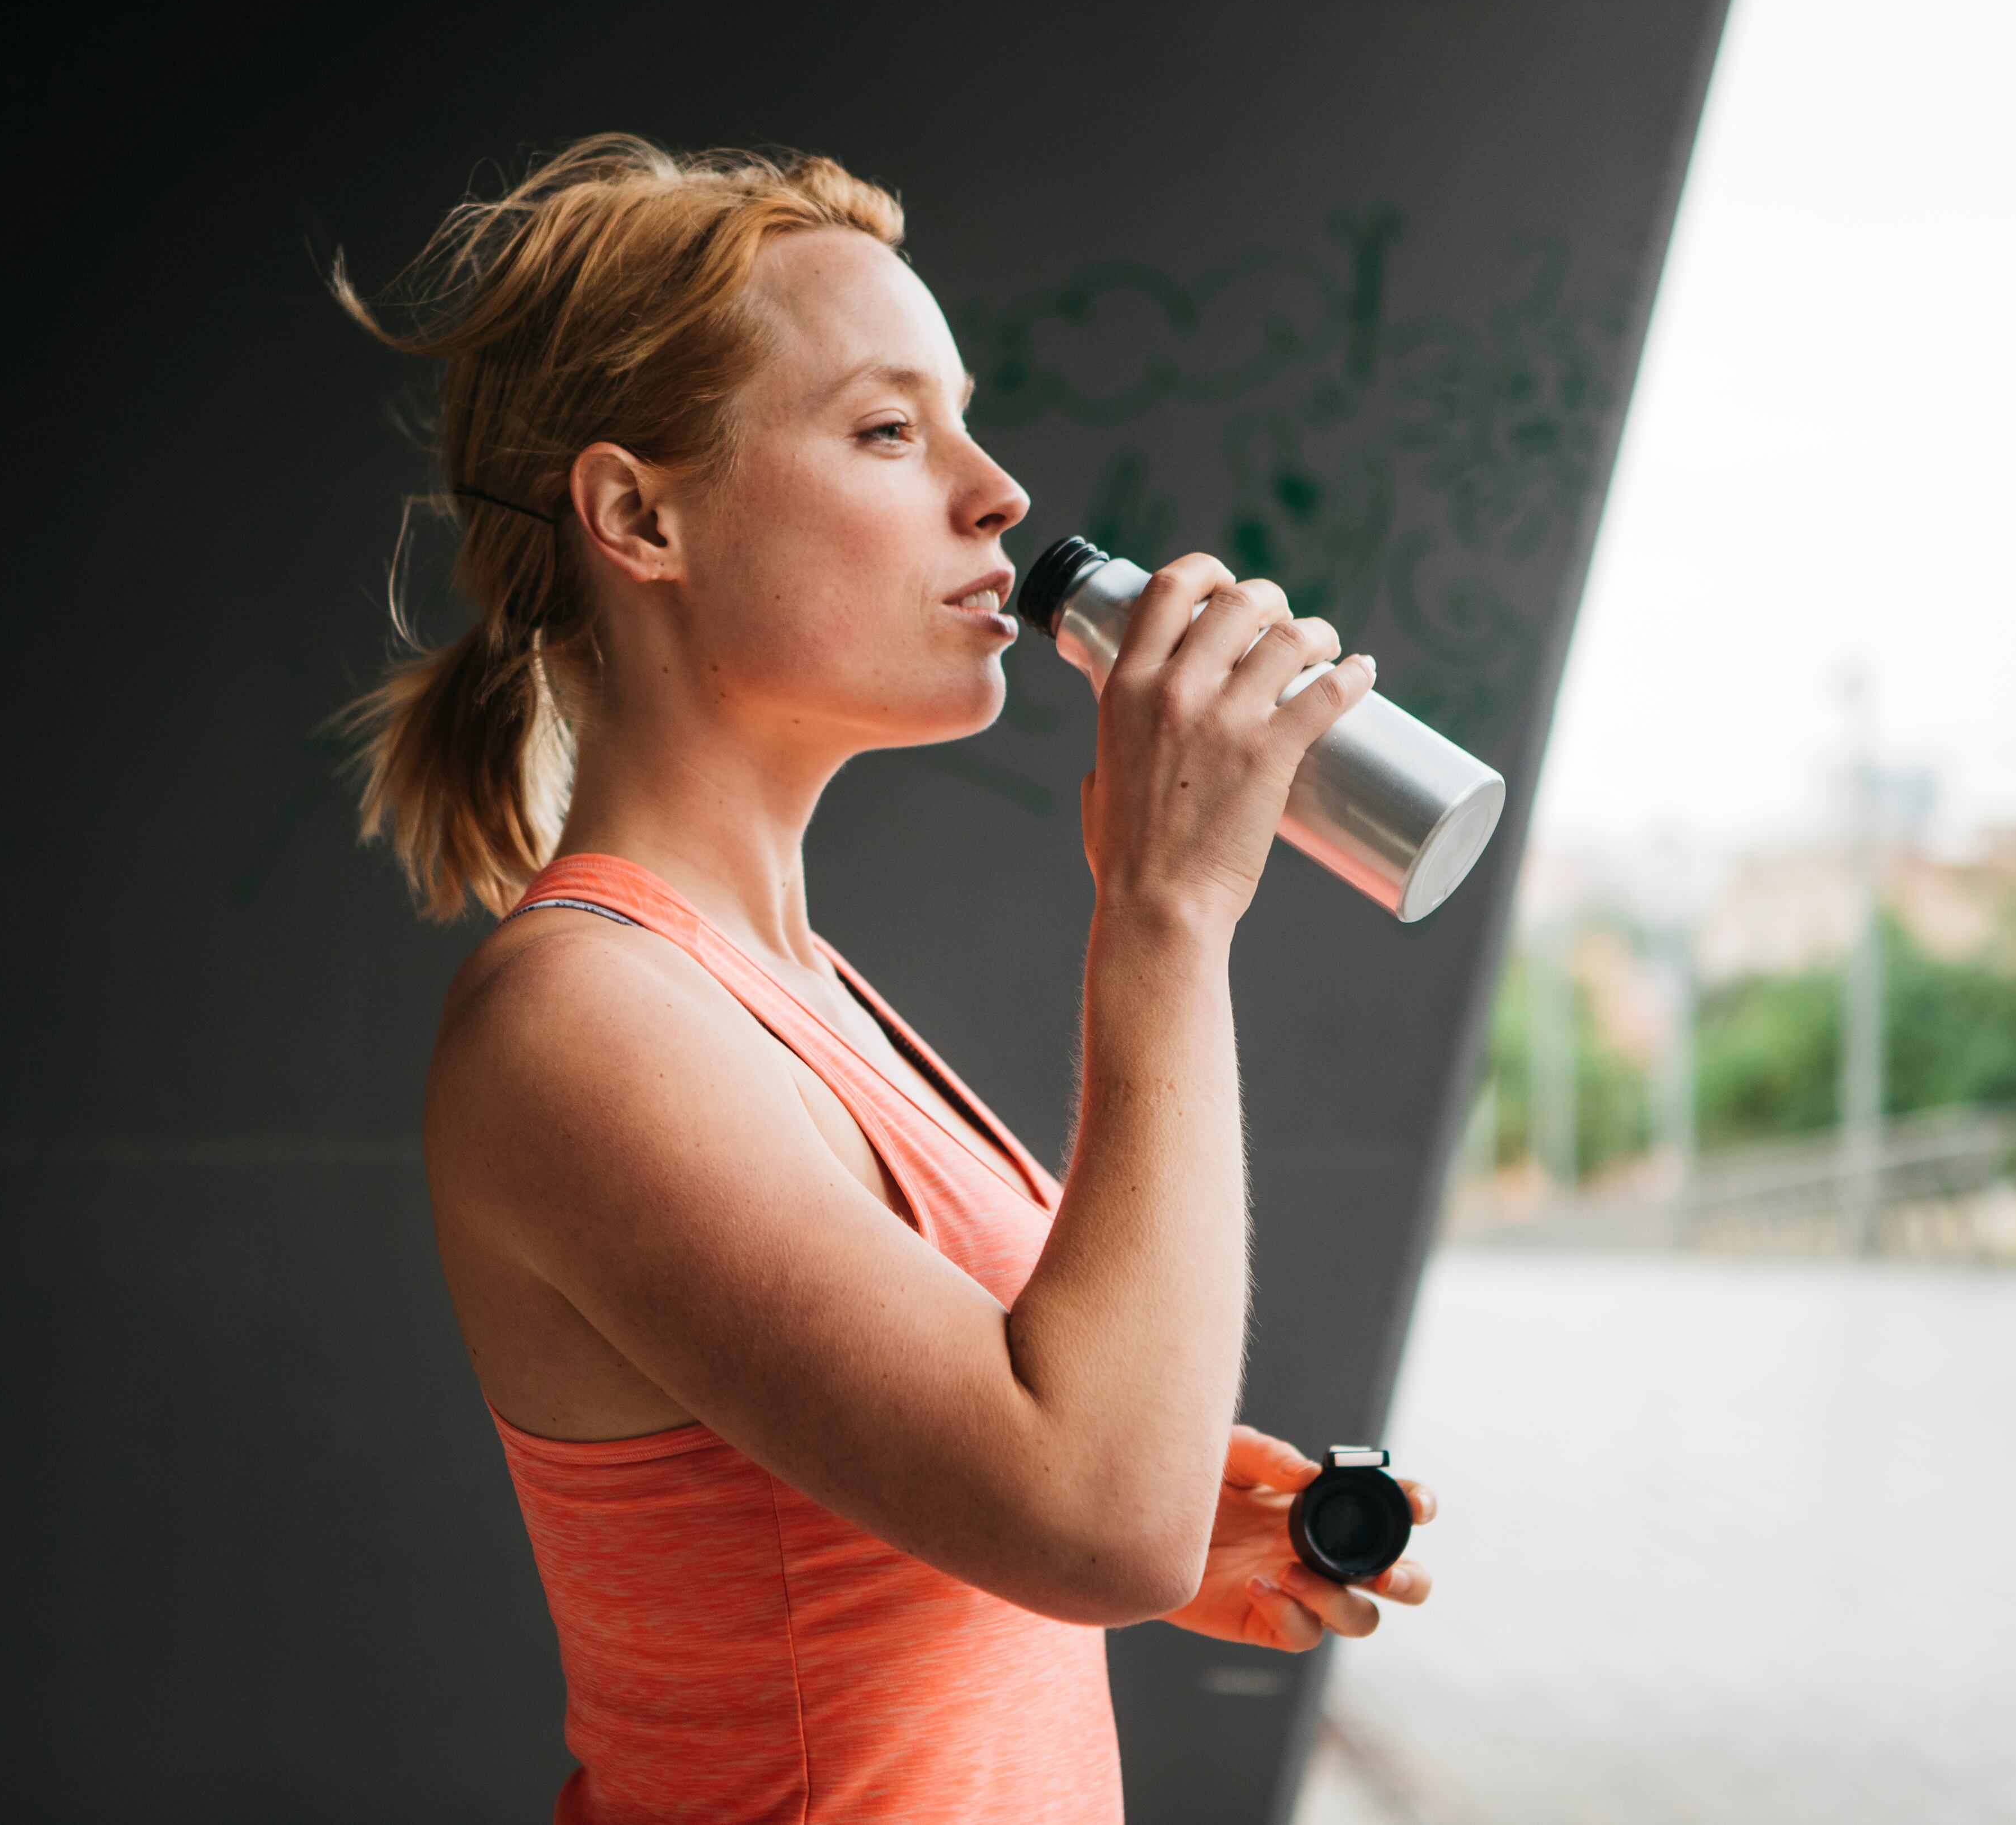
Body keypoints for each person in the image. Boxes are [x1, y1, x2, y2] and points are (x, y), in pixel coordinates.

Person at [337, 135, 1435, 1824]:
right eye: (886, 428)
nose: (999, 491)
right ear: (641, 516)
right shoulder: (585, 1022)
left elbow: (1049, 1497)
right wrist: (1163, 913)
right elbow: (1090, 1512)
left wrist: (1080, 1525)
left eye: (966, 419)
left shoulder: (785, 988)